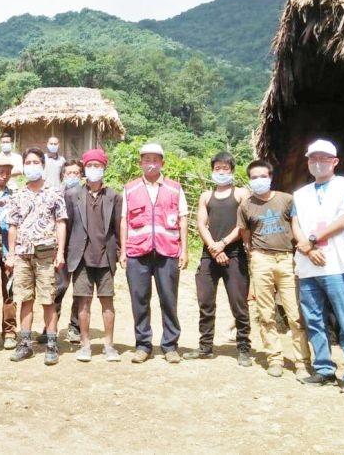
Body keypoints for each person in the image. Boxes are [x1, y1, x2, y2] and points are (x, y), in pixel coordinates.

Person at [291, 139, 344, 395]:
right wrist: (308, 248)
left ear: (335, 162)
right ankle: (324, 369)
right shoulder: (300, 194)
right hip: (309, 266)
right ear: (308, 162)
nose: (318, 162)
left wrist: (311, 241)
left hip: (338, 264)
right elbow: (296, 223)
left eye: (324, 158)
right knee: (314, 320)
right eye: (313, 158)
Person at [237, 159, 311, 379]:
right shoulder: (246, 206)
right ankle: (275, 359)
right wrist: (255, 259)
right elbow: (246, 238)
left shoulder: (286, 200)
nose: (259, 180)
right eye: (254, 177)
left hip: (286, 259)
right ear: (250, 180)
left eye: (263, 176)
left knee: (295, 314)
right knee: (266, 314)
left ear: (270, 177)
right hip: (261, 260)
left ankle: (302, 362)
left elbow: (296, 226)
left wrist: (305, 246)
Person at [119, 143, 188, 365]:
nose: (151, 164)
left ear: (162, 163)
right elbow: (124, 221)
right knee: (139, 299)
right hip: (137, 251)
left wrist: (184, 250)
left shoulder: (174, 188)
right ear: (140, 163)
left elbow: (183, 219)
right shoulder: (129, 188)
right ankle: (143, 345)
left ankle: (170, 345)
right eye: (146, 159)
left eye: (155, 160)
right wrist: (123, 250)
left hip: (167, 251)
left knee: (169, 299)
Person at [185, 152, 252, 367]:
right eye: (217, 168)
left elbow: (244, 225)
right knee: (206, 302)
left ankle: (243, 348)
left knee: (239, 304)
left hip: (235, 255)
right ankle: (205, 346)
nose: (221, 172)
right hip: (209, 255)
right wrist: (214, 248)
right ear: (212, 170)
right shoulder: (206, 196)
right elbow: (201, 225)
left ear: (232, 170)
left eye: (225, 168)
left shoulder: (242, 194)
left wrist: (223, 244)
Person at [6, 148, 67, 365]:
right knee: (25, 299)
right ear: (23, 166)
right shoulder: (18, 195)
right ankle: (25, 345)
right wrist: (11, 254)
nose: (32, 165)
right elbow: (12, 226)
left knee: (48, 300)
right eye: (28, 162)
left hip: (46, 255)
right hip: (22, 255)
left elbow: (61, 223)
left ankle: (51, 345)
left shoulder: (54, 193)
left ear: (42, 165)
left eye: (35, 162)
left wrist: (60, 252)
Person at [65, 150, 122, 362]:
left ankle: (109, 345)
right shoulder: (72, 195)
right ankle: (85, 344)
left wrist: (119, 253)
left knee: (107, 302)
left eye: (98, 165)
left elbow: (118, 227)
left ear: (104, 168)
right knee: (84, 303)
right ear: (84, 168)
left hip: (105, 258)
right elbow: (68, 227)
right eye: (90, 165)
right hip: (81, 257)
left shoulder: (114, 197)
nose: (93, 169)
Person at [41, 159, 82, 345]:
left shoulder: (86, 195)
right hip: (60, 250)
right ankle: (50, 327)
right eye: (69, 173)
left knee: (80, 292)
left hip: (82, 250)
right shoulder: (55, 195)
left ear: (81, 175)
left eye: (76, 173)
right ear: (63, 176)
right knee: (58, 288)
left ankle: (75, 327)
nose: (72, 176)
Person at [0, 155, 18, 350]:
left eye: (7, 171)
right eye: (0, 170)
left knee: (10, 293)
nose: (3, 175)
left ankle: (9, 332)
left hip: (9, 250)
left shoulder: (15, 195)